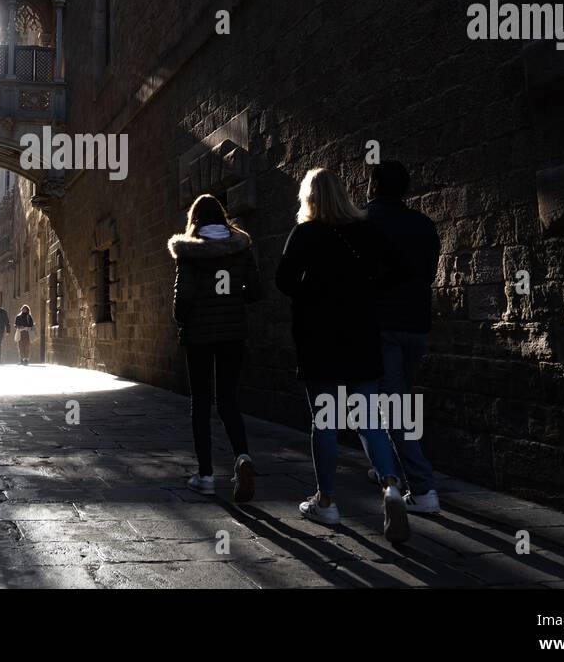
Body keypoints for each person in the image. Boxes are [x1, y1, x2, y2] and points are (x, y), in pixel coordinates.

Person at [276, 167, 412, 543]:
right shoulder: (366, 232)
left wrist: (316, 292)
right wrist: (365, 290)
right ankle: (391, 486)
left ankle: (326, 501)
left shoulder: (305, 234)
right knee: (369, 418)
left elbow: (284, 282)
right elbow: (398, 269)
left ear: (310, 198)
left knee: (326, 420)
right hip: (361, 335)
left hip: (320, 338)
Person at [169, 194, 262, 503]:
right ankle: (243, 457)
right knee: (228, 401)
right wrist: (233, 299)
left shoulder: (190, 253)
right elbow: (255, 290)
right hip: (233, 334)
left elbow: (183, 300)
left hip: (199, 337)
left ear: (194, 220)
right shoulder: (241, 248)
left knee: (201, 402)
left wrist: (183, 320)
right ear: (223, 217)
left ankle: (206, 475)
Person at [365, 160, 442, 513]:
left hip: (381, 325)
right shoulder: (424, 226)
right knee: (396, 403)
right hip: (416, 324)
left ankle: (423, 490)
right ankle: (384, 467)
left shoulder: (362, 222)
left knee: (392, 408)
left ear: (374, 185)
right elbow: (427, 274)